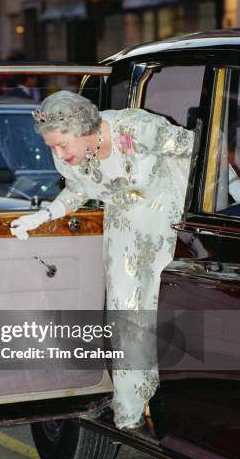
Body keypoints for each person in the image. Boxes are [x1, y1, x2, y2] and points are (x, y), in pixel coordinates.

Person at [10, 90, 194, 430]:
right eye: (52, 147)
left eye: (62, 145)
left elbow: (199, 150)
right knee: (127, 312)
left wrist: (225, 199)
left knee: (168, 304)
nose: (58, 154)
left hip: (172, 219)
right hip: (124, 226)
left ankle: (183, 397)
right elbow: (77, 191)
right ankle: (132, 406)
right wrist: (42, 216)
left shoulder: (136, 128)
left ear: (85, 131)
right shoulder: (67, 156)